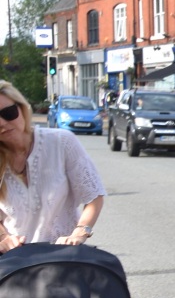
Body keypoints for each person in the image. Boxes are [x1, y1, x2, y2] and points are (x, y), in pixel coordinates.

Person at [0, 81, 106, 251]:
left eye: (8, 113)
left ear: (22, 108)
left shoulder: (62, 142)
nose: (2, 123)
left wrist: (79, 233)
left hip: (62, 257)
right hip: (15, 262)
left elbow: (94, 197)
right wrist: (4, 238)